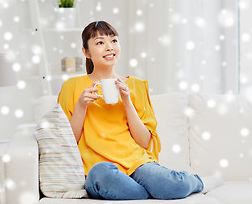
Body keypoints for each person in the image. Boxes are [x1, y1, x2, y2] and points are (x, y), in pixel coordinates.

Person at [58, 21, 223, 200]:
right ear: (86, 52)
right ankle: (147, 192)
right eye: (100, 42)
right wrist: (82, 106)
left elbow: (144, 142)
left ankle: (199, 183)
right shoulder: (72, 87)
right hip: (98, 168)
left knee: (174, 184)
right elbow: (67, 142)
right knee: (101, 174)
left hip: (137, 163)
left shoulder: (135, 86)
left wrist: (127, 102)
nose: (109, 47)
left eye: (113, 41)